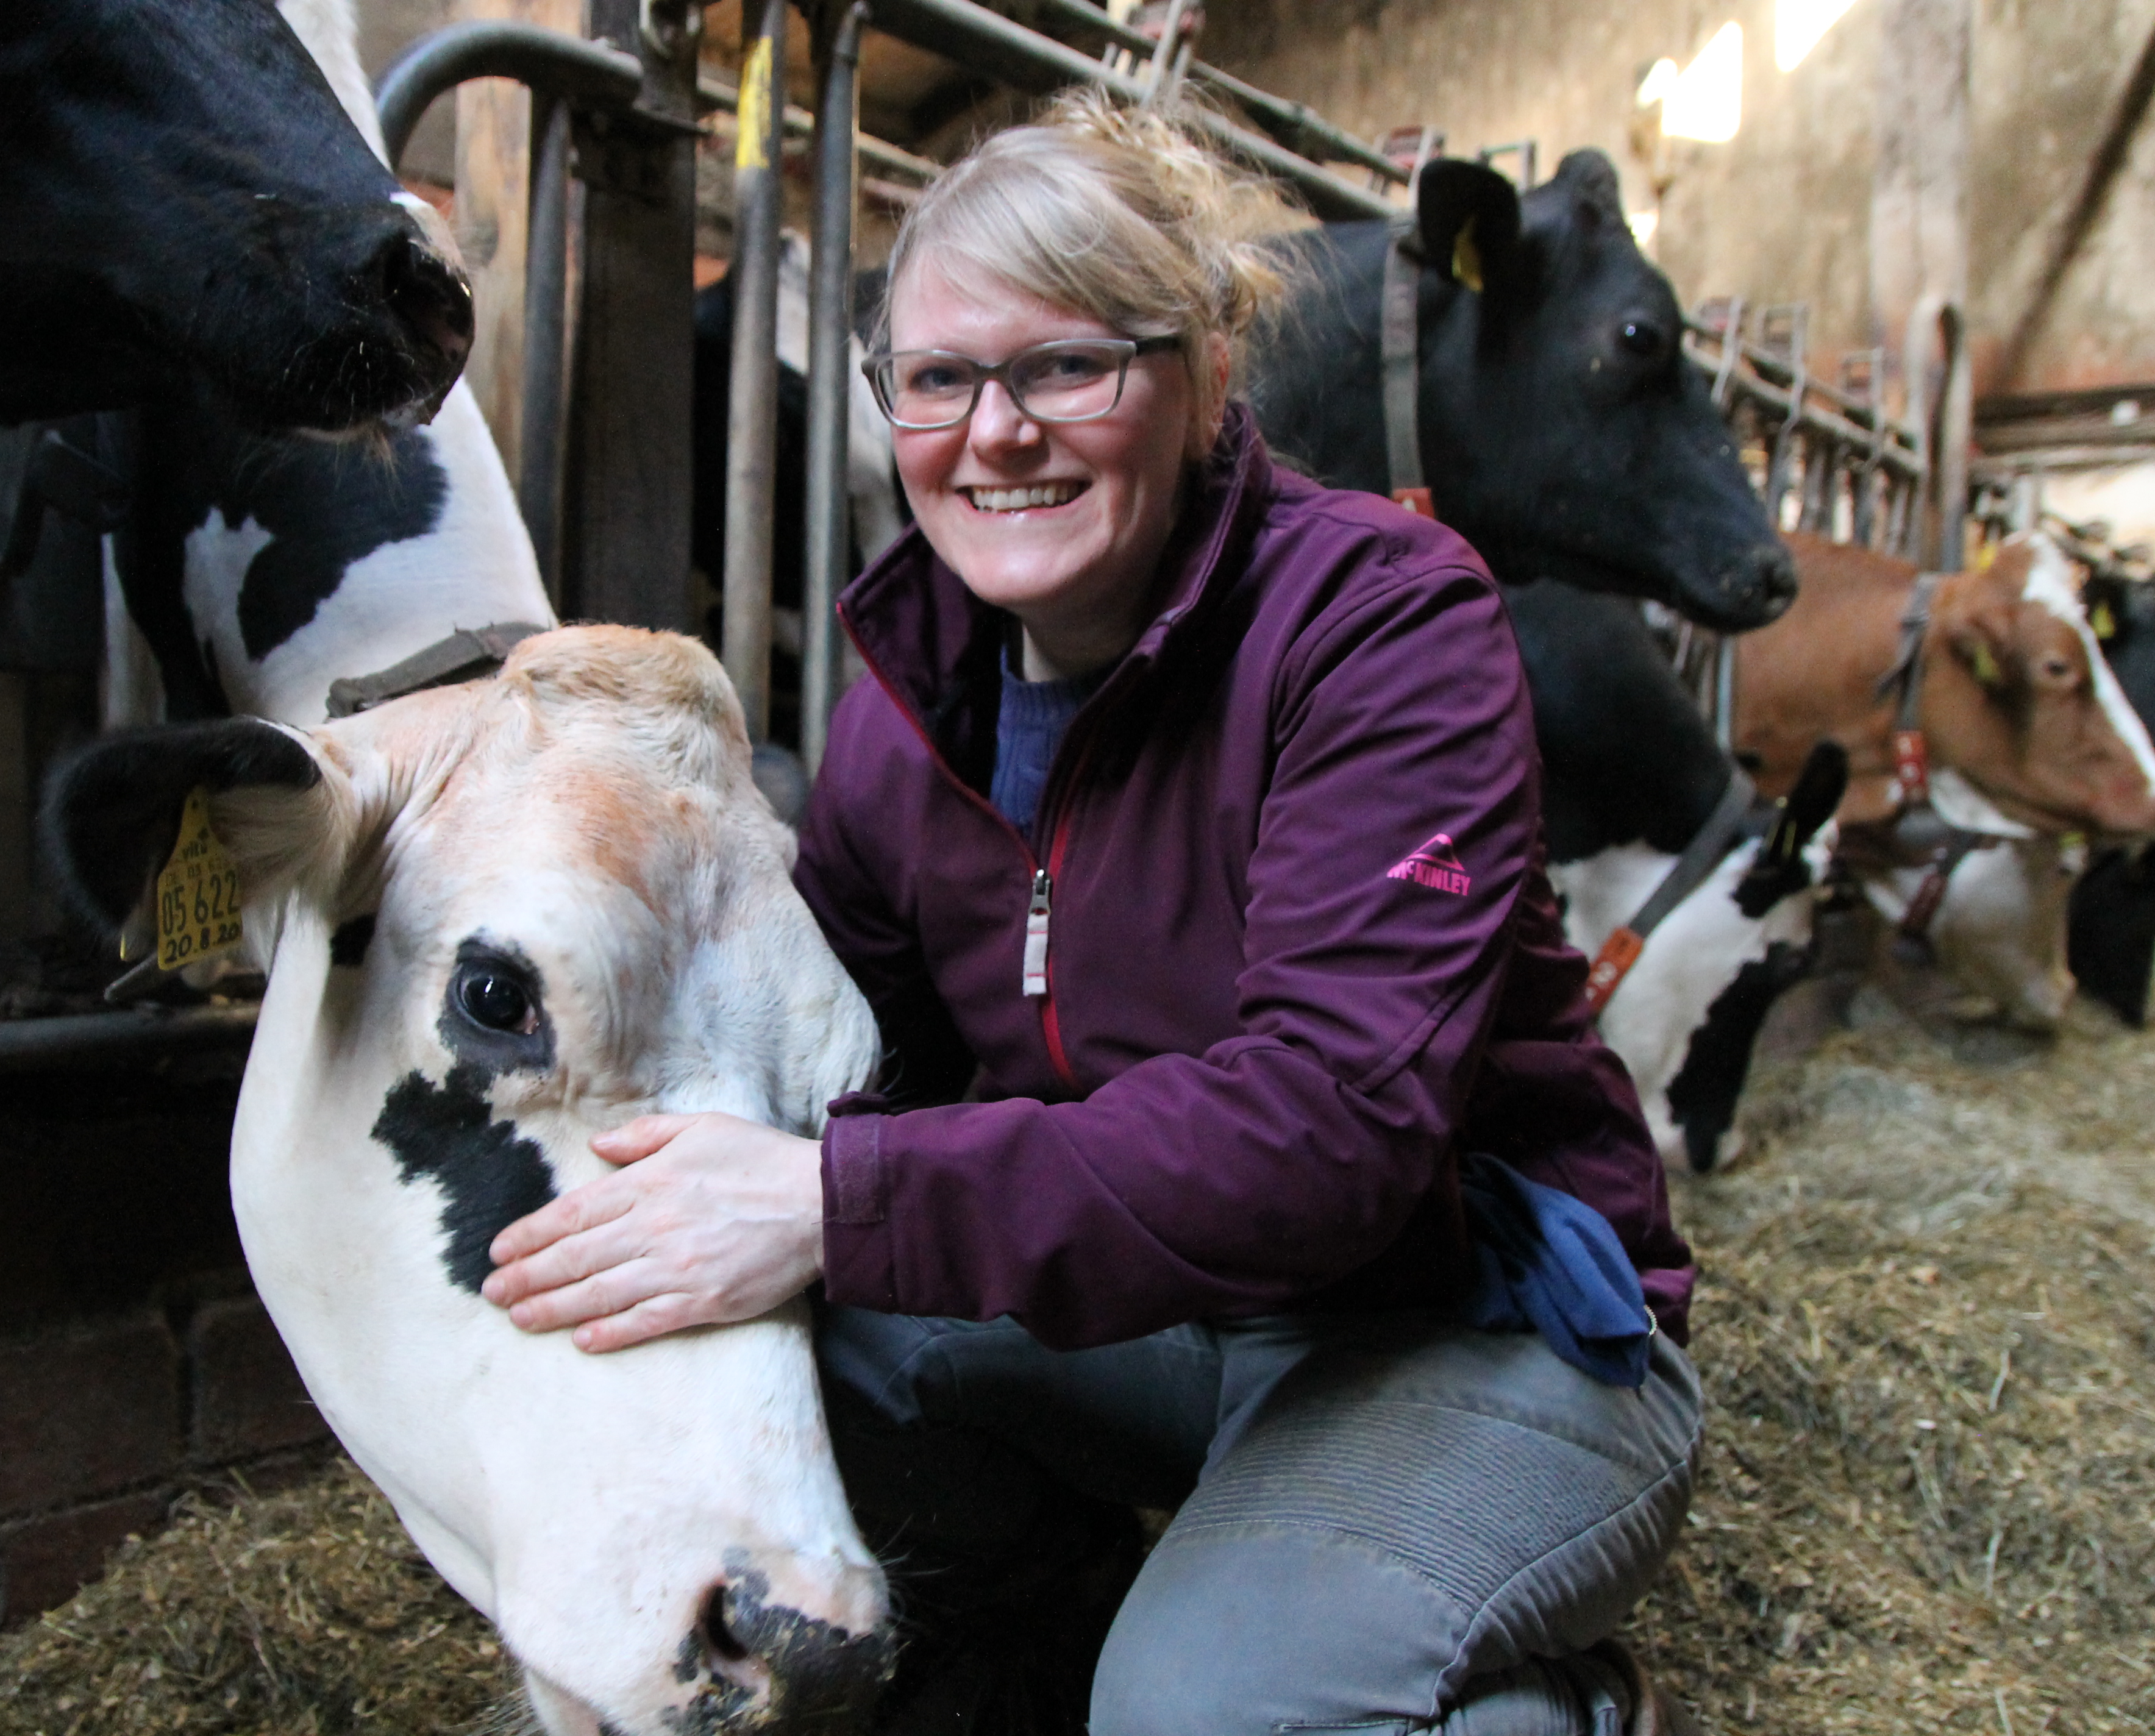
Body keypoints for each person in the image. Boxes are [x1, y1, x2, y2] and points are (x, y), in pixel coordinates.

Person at [483, 90, 1704, 1736]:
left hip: (1465, 1322)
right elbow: (847, 1077)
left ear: (1207, 370)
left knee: (1201, 1714)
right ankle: (1048, 1637)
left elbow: (1333, 1132)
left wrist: (834, 1202)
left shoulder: (1384, 631)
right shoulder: (904, 714)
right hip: (1164, 1315)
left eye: (1069, 366)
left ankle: (1536, 1706)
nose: (996, 433)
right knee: (801, 1352)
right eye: (938, 380)